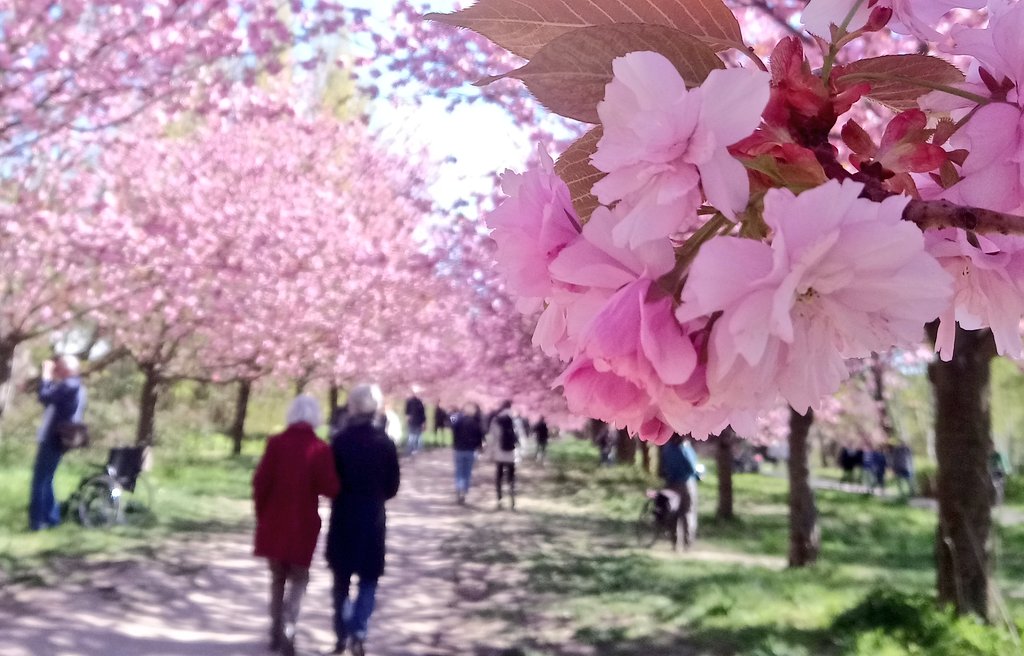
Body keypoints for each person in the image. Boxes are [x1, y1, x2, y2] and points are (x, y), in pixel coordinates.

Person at [252, 395, 339, 656]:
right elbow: (331, 487)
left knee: (277, 578)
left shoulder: (275, 443)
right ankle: (290, 625)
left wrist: (262, 514)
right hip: (303, 524)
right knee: (299, 578)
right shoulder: (320, 448)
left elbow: (260, 483)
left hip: (274, 522)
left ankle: (275, 630)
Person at [327, 384, 400, 656]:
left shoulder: (340, 440)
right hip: (372, 517)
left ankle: (341, 633)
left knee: (341, 580)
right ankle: (359, 631)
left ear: (352, 407)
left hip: (344, 514)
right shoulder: (385, 442)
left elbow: (330, 480)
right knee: (369, 578)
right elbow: (393, 486)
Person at [29, 355, 86, 531]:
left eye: (59, 367)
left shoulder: (70, 385)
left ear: (68, 370)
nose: (56, 370)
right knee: (47, 478)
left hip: (53, 438)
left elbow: (44, 396)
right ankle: (52, 518)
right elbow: (53, 403)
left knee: (40, 479)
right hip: (56, 437)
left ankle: (38, 523)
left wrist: (45, 375)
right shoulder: (72, 385)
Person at [658, 434, 700, 551]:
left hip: (671, 483)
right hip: (687, 484)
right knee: (688, 512)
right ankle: (688, 543)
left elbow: (662, 467)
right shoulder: (685, 447)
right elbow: (692, 467)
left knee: (673, 513)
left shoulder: (667, 448)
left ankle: (674, 543)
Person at [451, 402, 485, 504]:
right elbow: (479, 437)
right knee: (467, 472)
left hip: (459, 449)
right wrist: (479, 447)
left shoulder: (458, 421)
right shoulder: (476, 423)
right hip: (470, 450)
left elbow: (454, 433)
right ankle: (464, 492)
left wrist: (455, 444)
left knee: (459, 471)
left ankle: (458, 490)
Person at [488, 401, 519, 510]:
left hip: (499, 453)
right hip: (511, 454)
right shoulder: (515, 419)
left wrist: (490, 453)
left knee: (499, 476)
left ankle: (499, 499)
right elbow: (519, 437)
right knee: (511, 477)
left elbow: (493, 439)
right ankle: (512, 498)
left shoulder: (496, 420)